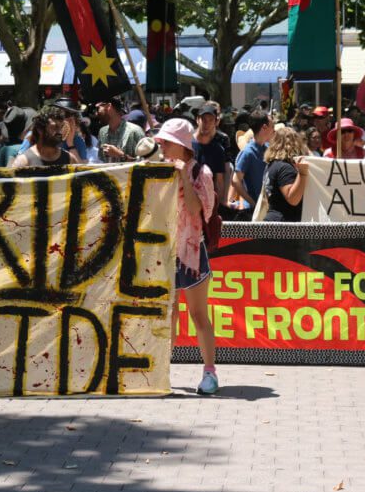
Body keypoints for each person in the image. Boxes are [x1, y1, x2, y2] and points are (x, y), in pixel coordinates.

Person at [154, 118, 218, 395]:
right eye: (162, 141)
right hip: (163, 252)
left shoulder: (200, 173)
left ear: (182, 146)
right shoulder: (161, 170)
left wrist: (182, 176)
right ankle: (161, 370)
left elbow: (196, 211)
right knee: (167, 314)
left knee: (198, 314)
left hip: (191, 252)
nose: (163, 146)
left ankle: (210, 373)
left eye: (167, 142)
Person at [263, 125, 310, 222]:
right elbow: (293, 199)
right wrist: (303, 173)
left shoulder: (271, 165)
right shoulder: (285, 168)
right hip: (283, 227)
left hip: (273, 221)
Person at [230, 111, 273, 213]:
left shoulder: (267, 148)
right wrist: (252, 202)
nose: (273, 130)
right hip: (252, 211)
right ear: (264, 128)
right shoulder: (248, 152)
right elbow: (236, 180)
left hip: (265, 207)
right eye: (272, 126)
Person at [10, 110, 74, 168]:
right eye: (55, 127)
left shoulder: (69, 159)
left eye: (61, 127)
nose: (60, 132)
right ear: (40, 129)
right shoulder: (24, 161)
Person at [97, 97, 145, 162]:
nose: (97, 113)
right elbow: (100, 159)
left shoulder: (135, 131)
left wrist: (120, 155)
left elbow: (146, 162)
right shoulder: (102, 132)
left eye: (98, 108)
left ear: (109, 107)